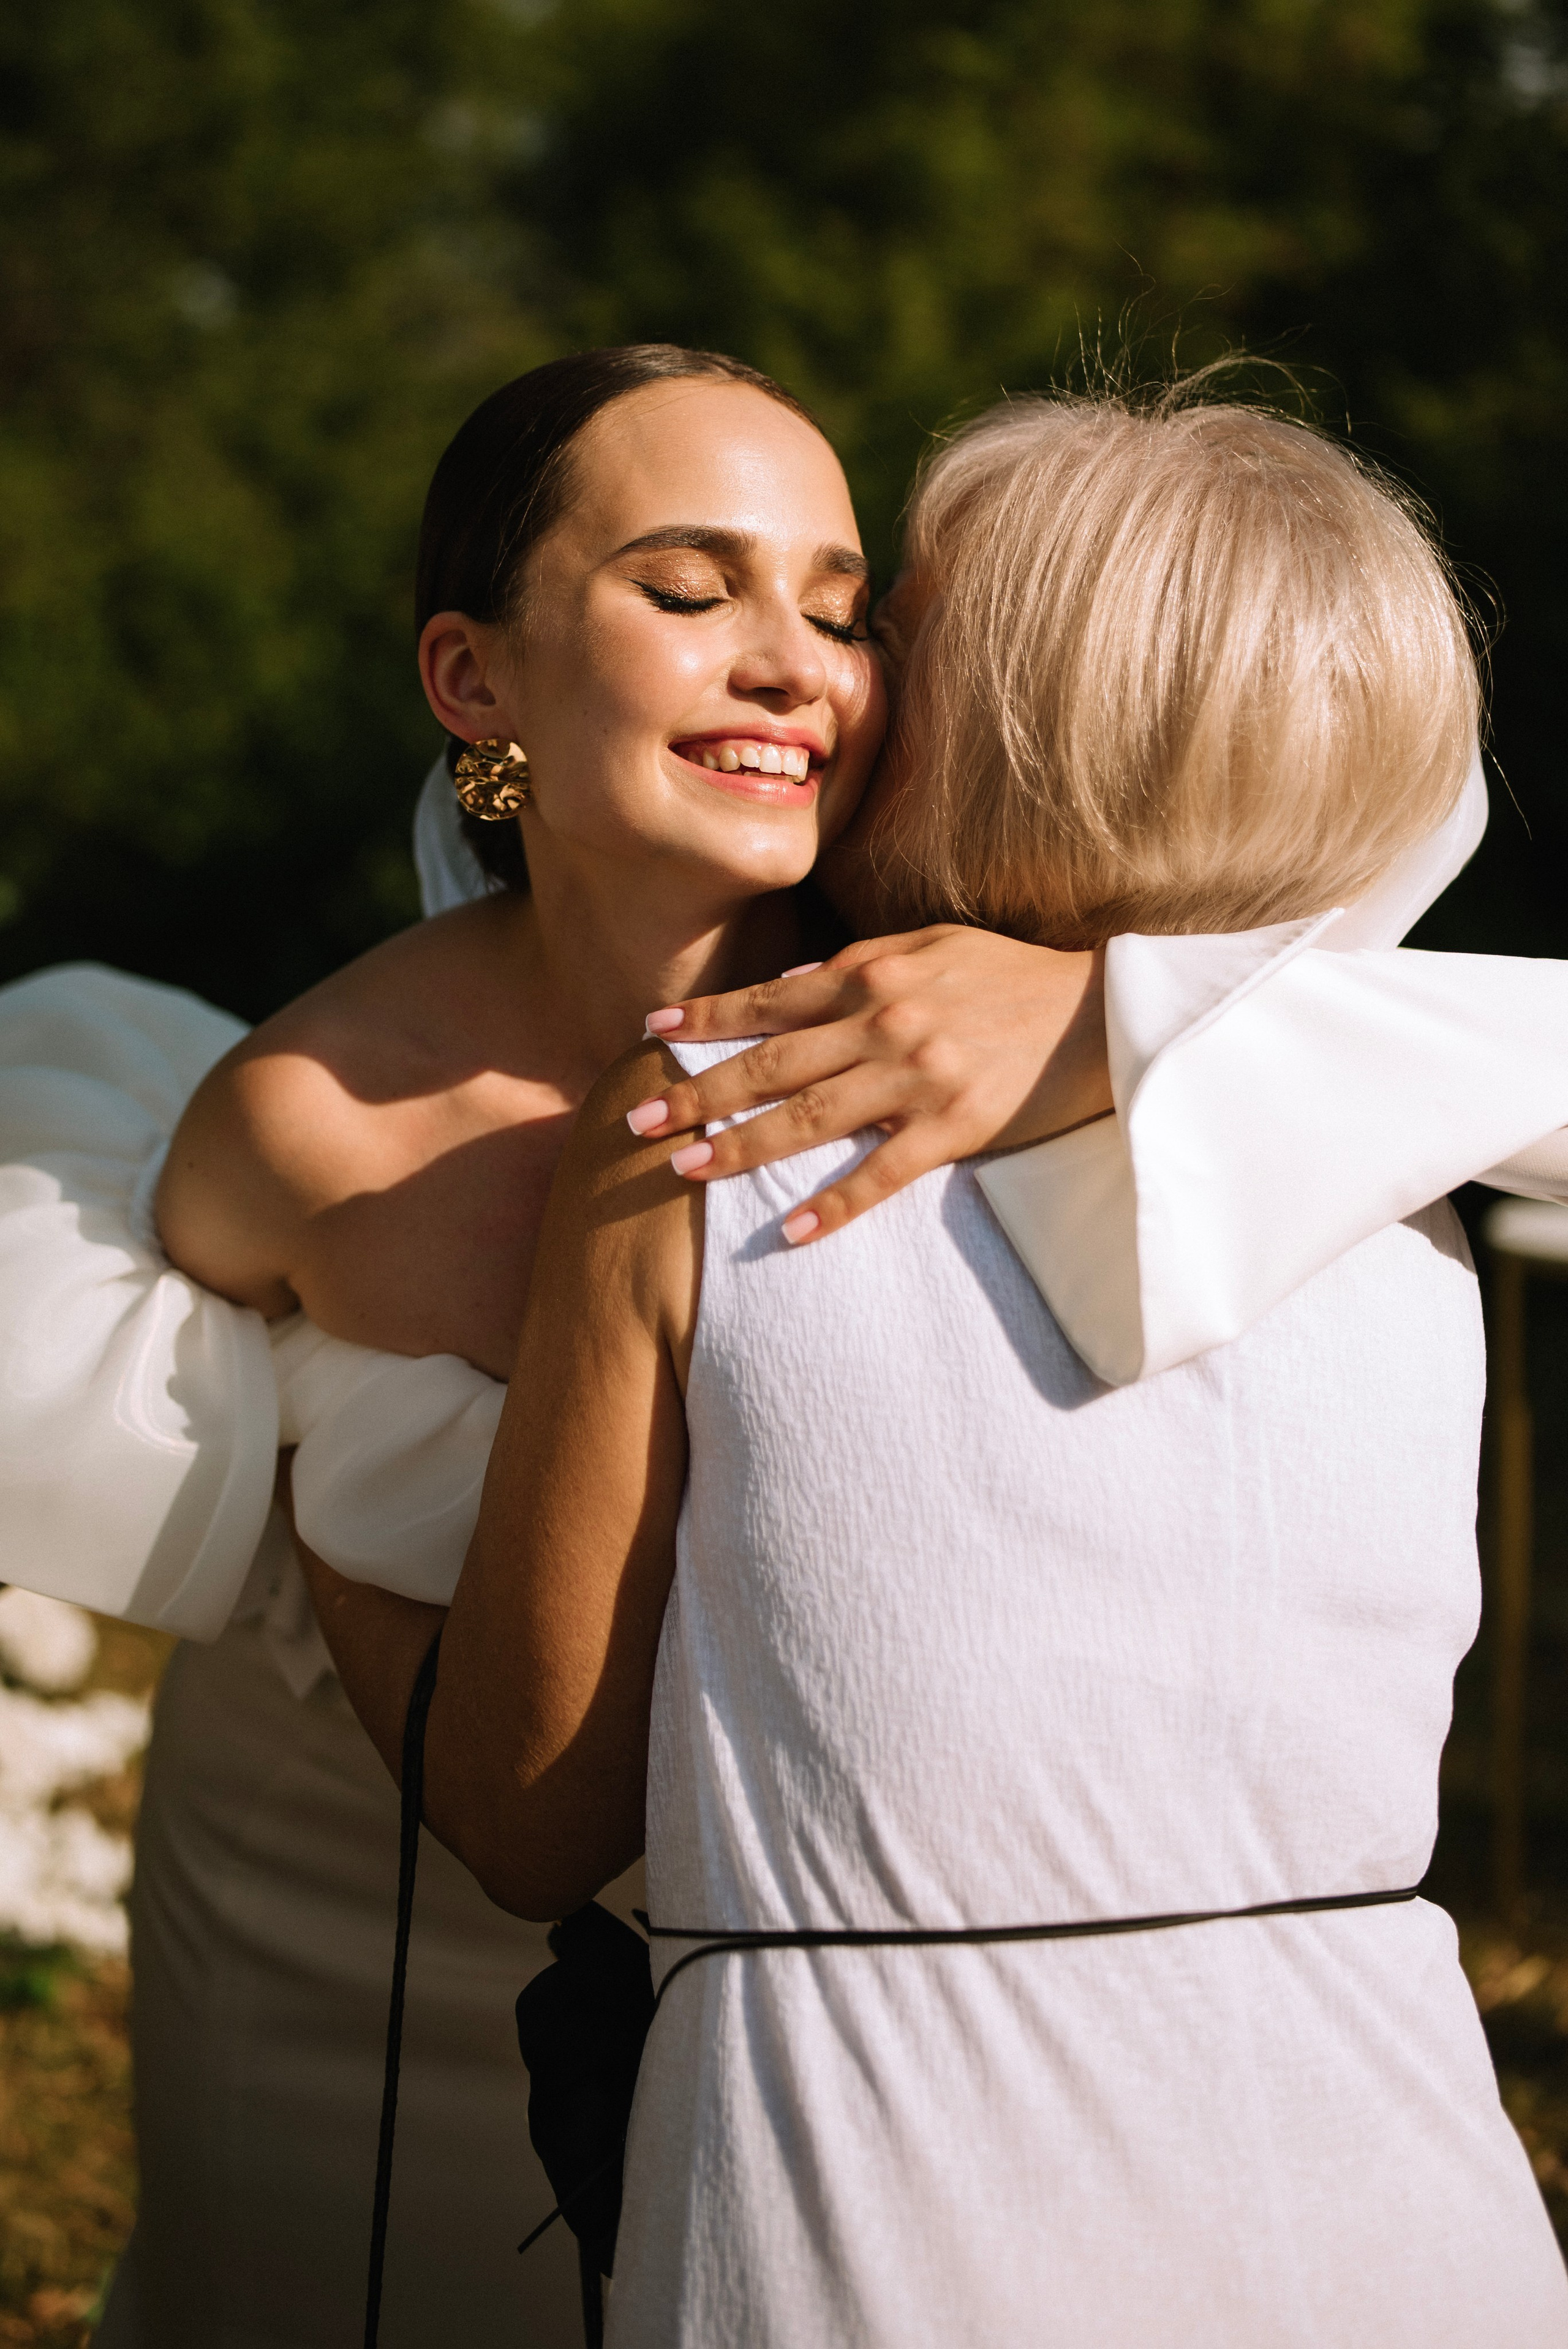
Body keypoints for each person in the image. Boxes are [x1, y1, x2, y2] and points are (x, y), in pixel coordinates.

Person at [419, 390, 1568, 2345]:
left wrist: (317, 1455)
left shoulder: (705, 1127)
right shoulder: (1422, 1147)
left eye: (886, 628)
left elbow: (528, 1814)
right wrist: (1152, 1008)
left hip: (876, 2200)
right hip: (1405, 2198)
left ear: (981, 719)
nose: (840, 681)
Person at [0, 345, 1117, 2349]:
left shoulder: (998, 999)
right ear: (474, 680)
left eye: (840, 610)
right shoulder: (306, 1122)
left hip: (848, 2034)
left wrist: (1097, 1014)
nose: (793, 665)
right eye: (690, 588)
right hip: (333, 1951)